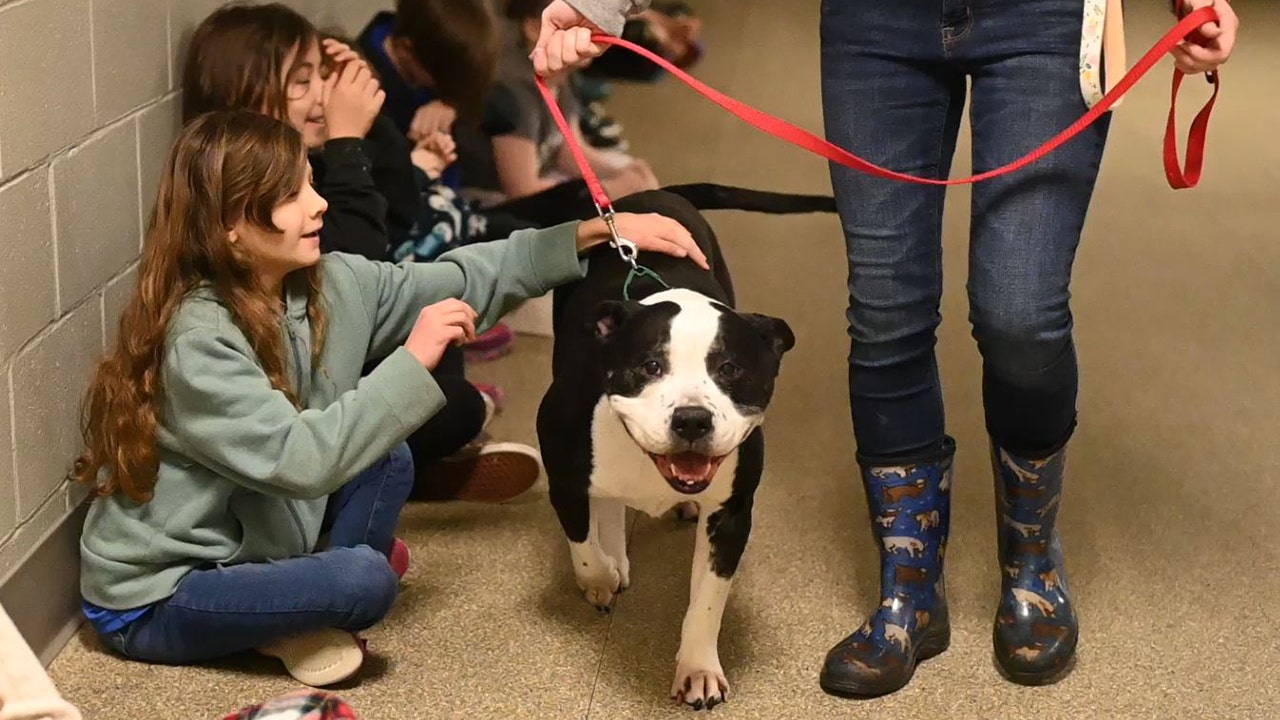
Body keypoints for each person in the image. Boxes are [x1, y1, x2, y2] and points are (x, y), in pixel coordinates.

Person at [532, 0, 1239, 697]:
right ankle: (909, 588)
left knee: (1021, 317)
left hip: (1049, 19)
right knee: (886, 314)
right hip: (875, 20)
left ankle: (1033, 564)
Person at [72, 109, 706, 686]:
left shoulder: (325, 284)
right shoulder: (199, 342)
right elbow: (303, 460)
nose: (318, 204)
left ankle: (296, 604)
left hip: (262, 534)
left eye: (311, 183)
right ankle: (300, 606)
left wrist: (592, 234)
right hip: (160, 595)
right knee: (366, 579)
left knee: (390, 456)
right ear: (231, 227)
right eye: (292, 195)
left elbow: (464, 275)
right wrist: (412, 360)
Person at [181, 2, 543, 502]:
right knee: (453, 403)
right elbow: (347, 272)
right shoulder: (242, 192)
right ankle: (388, 477)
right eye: (301, 82)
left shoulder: (308, 159)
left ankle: (396, 470)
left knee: (440, 354)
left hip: (337, 361)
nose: (322, 96)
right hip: (302, 417)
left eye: (321, 77)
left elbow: (400, 204)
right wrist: (347, 139)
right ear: (246, 96)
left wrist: (369, 125)